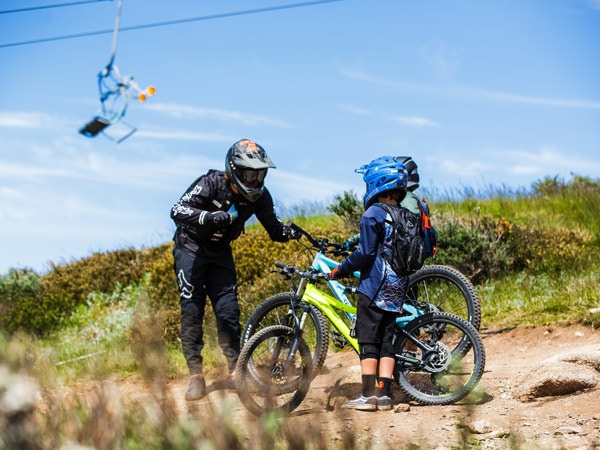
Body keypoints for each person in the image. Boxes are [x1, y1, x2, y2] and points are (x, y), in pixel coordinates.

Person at [170, 139, 300, 401]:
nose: (254, 180)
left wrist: (289, 232)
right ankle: (196, 375)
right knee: (192, 312)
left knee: (229, 311)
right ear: (233, 170)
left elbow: (274, 230)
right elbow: (177, 210)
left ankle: (235, 371)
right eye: (249, 174)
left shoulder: (261, 196)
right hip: (190, 251)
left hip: (220, 254)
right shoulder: (209, 183)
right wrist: (209, 217)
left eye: (259, 174)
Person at [329, 155, 409, 411]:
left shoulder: (372, 214)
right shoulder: (404, 214)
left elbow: (364, 254)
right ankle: (384, 395)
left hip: (374, 287)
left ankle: (366, 395)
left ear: (376, 183)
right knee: (387, 341)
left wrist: (340, 269)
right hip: (397, 288)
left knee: (368, 342)